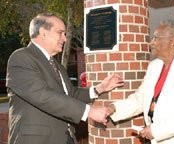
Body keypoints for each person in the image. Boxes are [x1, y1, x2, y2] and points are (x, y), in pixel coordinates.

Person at [6, 13, 124, 144]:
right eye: (60, 33)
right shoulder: (21, 58)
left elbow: (70, 94)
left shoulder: (57, 65)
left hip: (65, 137)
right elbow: (42, 95)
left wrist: (99, 88)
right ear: (43, 32)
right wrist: (88, 111)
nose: (65, 38)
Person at [107, 20, 174, 144]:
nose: (151, 42)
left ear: (173, 40)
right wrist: (114, 108)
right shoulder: (154, 66)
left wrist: (157, 131)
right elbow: (141, 98)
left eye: (156, 38)